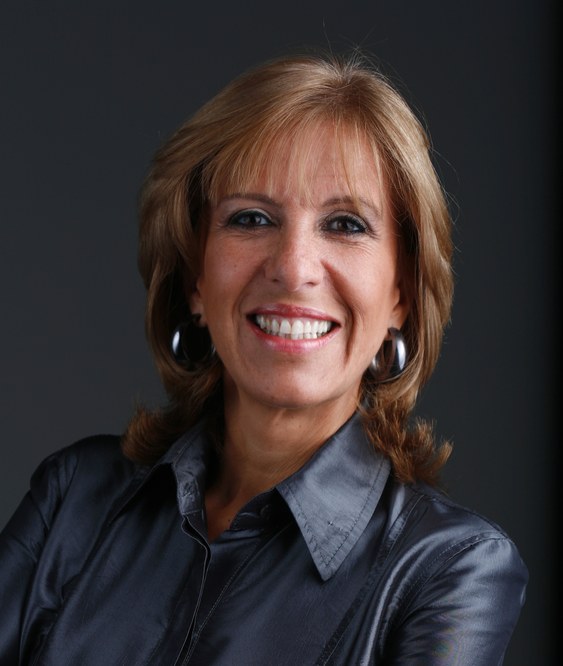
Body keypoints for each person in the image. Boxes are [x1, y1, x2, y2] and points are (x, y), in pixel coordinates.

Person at [0, 51, 527, 665]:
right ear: (195, 279)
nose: (293, 268)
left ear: (401, 295)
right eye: (251, 219)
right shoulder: (75, 497)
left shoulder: (453, 572)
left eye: (346, 224)